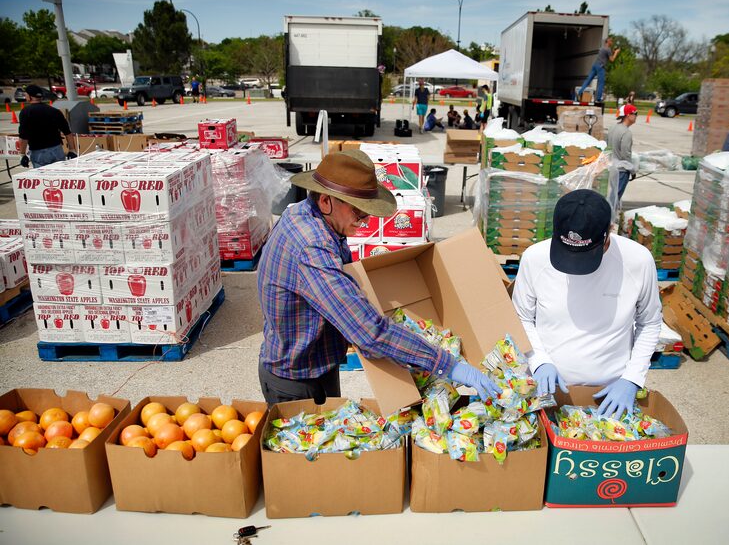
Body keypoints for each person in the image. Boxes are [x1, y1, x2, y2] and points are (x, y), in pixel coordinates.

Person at [256, 149, 498, 404]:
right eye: (357, 210)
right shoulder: (311, 247)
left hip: (319, 364)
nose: (365, 218)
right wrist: (448, 364)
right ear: (326, 201)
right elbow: (369, 332)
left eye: (367, 210)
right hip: (296, 381)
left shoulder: (309, 215)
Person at [512, 189, 662, 419]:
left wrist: (632, 379)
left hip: (609, 395)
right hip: (546, 390)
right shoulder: (534, 258)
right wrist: (539, 361)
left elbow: (650, 322)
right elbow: (520, 317)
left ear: (609, 232)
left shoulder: (638, 261)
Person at [17, 84, 77, 168]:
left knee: (43, 179)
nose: (25, 96)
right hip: (57, 149)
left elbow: (23, 136)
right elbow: (67, 132)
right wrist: (72, 150)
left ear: (30, 96)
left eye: (26, 94)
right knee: (59, 176)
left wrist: (22, 154)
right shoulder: (54, 111)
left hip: (39, 152)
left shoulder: (26, 112)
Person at [607, 103, 638, 201]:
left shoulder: (613, 128)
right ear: (628, 115)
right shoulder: (626, 132)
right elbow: (626, 154)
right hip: (622, 170)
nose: (636, 116)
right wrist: (632, 170)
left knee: (613, 193)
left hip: (612, 167)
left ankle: (609, 213)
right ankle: (609, 215)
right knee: (615, 197)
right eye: (635, 113)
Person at [576, 37, 620, 103]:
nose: (612, 42)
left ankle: (579, 92)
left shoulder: (602, 48)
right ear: (608, 41)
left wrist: (613, 52)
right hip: (601, 67)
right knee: (601, 83)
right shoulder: (608, 50)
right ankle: (598, 99)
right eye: (611, 41)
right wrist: (616, 52)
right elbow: (612, 60)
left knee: (588, 80)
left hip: (595, 65)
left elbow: (606, 55)